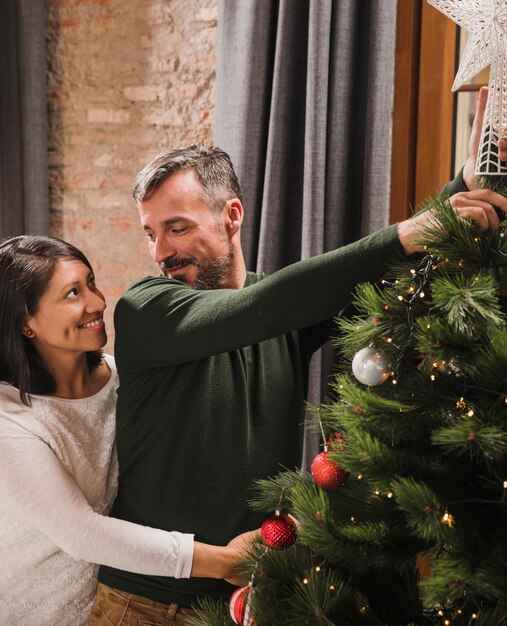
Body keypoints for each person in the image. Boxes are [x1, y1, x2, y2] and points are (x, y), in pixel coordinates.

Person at [93, 144, 507, 624]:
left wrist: (464, 183)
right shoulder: (146, 309)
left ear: (232, 215)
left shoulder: (283, 311)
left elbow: (373, 283)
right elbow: (265, 305)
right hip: (143, 606)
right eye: (150, 233)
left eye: (177, 228)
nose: (161, 252)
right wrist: (403, 234)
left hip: (252, 601)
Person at [0, 235, 257, 626]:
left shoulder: (124, 377)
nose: (98, 302)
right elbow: (80, 532)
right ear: (26, 323)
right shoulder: (8, 418)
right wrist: (221, 562)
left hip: (124, 603)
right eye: (72, 294)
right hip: (40, 609)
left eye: (91, 283)